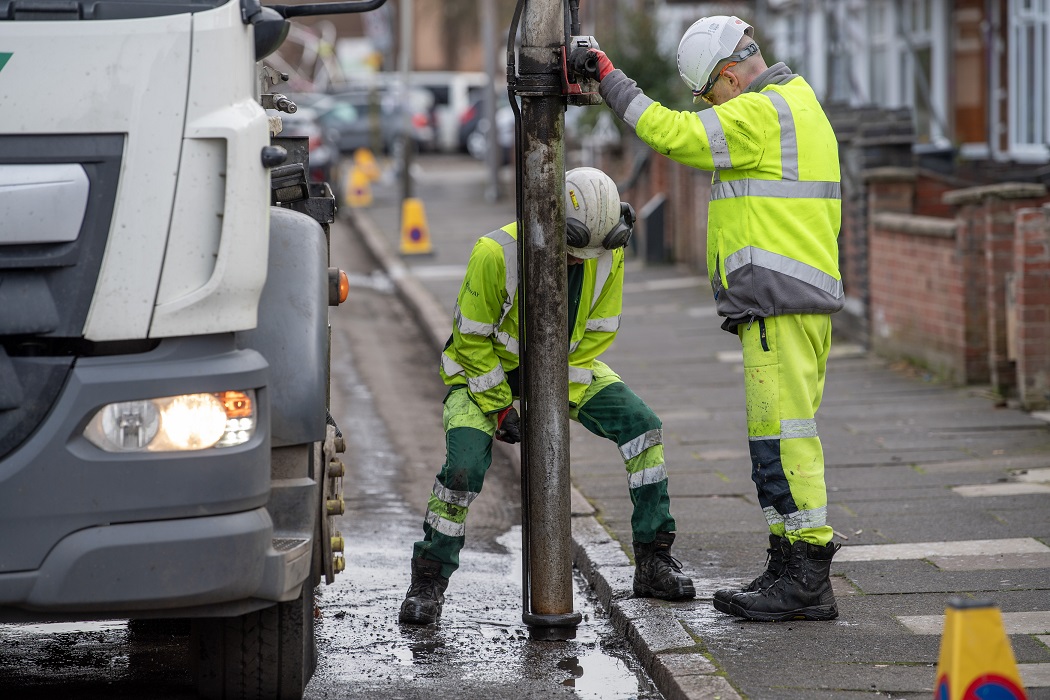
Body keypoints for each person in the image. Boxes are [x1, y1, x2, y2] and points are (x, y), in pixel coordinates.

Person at [570, 16, 844, 622]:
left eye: (708, 94)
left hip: (779, 306)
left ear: (727, 76)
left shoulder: (759, 113)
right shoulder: (799, 103)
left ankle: (803, 579)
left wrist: (610, 78)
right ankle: (791, 564)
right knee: (788, 436)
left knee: (781, 442)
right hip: (796, 303)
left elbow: (673, 134)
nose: (710, 106)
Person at [399, 167, 695, 625]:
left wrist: (553, 398)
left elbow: (598, 333)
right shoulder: (494, 254)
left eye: (587, 255)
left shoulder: (607, 252)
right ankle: (428, 580)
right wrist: (500, 406)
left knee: (642, 427)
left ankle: (654, 560)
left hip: (564, 371)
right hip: (484, 377)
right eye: (572, 252)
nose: (580, 262)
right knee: (463, 469)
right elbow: (472, 342)